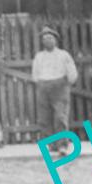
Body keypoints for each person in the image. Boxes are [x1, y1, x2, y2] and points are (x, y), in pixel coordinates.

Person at [31, 27, 78, 156]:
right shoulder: (39, 56)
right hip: (43, 85)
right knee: (44, 117)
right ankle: (51, 144)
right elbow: (35, 73)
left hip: (59, 86)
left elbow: (72, 72)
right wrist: (41, 82)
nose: (47, 41)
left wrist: (67, 82)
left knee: (60, 116)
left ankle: (62, 145)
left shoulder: (63, 55)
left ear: (56, 40)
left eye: (50, 38)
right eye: (45, 39)